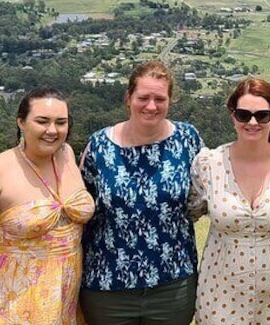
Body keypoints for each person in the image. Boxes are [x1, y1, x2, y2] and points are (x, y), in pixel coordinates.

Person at [189, 77, 270, 325]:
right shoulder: (208, 164)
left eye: (261, 116)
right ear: (232, 116)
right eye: (243, 115)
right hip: (220, 295)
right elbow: (185, 213)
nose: (252, 122)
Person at [79, 60, 204, 325]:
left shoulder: (188, 140)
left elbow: (210, 191)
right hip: (107, 286)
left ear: (171, 100)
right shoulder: (99, 145)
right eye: (143, 97)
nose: (151, 106)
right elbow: (80, 206)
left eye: (159, 98)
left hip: (173, 285)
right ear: (128, 98)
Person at [0, 87, 94, 324]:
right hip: (11, 303)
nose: (52, 130)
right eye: (42, 121)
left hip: (67, 301)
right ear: (21, 122)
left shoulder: (67, 156)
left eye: (60, 123)